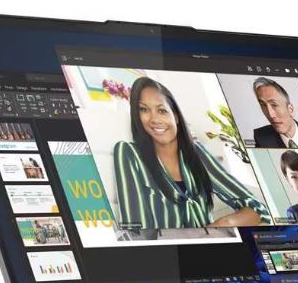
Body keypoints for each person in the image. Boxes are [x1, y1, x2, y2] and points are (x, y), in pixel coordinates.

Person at [114, 77, 271, 229]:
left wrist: (222, 224)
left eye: (162, 110)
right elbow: (134, 228)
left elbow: (258, 209)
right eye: (144, 109)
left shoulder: (197, 153)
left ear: (175, 116)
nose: (154, 119)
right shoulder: (127, 153)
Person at [252, 77, 298, 149]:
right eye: (263, 105)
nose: (271, 115)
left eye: (274, 105)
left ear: (290, 109)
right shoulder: (261, 137)